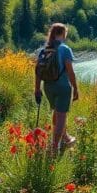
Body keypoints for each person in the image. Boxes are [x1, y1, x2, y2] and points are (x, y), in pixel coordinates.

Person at [34, 23, 78, 152]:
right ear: (63, 34)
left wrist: (37, 89)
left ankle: (65, 137)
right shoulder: (65, 49)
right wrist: (75, 88)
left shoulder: (44, 50)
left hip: (48, 87)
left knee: (57, 112)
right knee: (62, 116)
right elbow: (70, 71)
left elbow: (38, 72)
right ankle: (54, 149)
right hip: (63, 87)